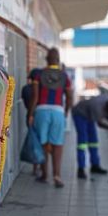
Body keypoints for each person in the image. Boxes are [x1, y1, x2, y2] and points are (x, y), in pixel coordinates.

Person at [27, 49, 72, 188]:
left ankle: (45, 174)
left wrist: (30, 114)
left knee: (43, 143)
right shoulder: (64, 76)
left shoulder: (39, 74)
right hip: (58, 112)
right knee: (57, 144)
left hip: (41, 111)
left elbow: (35, 97)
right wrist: (66, 111)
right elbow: (69, 97)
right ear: (58, 59)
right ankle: (57, 176)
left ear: (46, 59)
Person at [71, 94, 108, 179]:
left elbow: (107, 115)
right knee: (82, 142)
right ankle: (81, 169)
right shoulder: (97, 107)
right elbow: (101, 124)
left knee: (94, 142)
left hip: (89, 114)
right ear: (106, 107)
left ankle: (95, 166)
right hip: (79, 114)